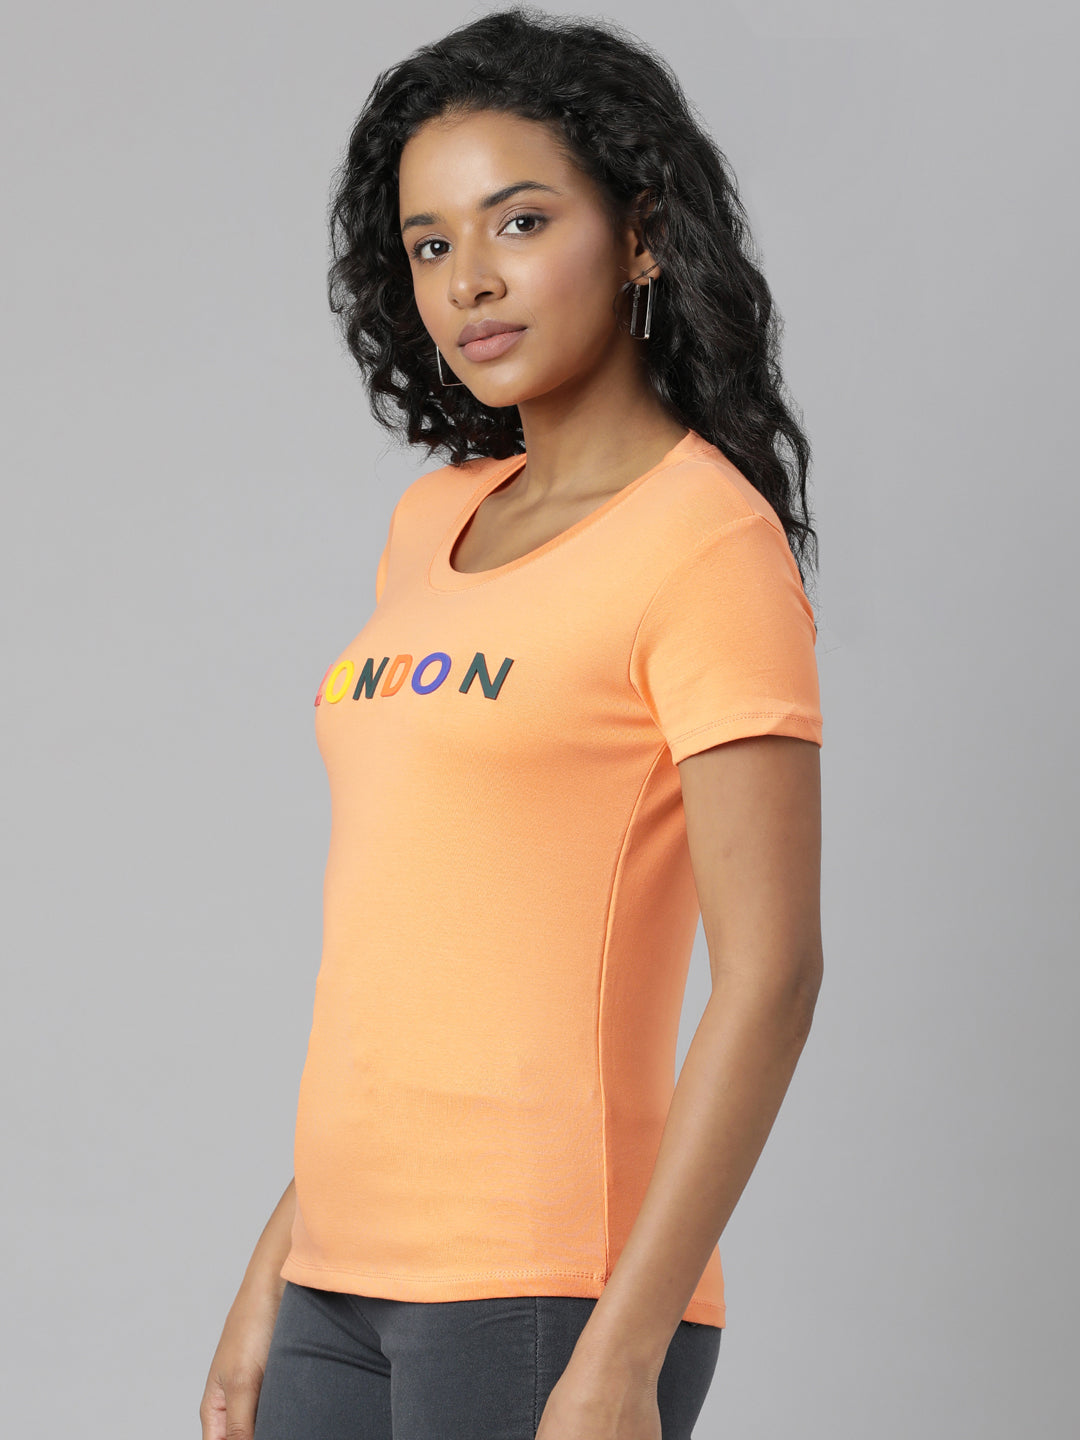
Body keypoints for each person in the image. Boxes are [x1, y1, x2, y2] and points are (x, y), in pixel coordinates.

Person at [199, 7, 825, 1438]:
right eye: (429, 245)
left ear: (642, 235)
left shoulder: (706, 546)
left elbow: (774, 973)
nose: (470, 279)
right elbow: (423, 952)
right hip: (337, 1276)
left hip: (544, 1286)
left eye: (521, 221)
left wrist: (622, 1351)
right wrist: (275, 1263)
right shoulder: (431, 524)